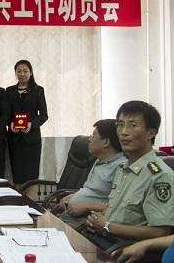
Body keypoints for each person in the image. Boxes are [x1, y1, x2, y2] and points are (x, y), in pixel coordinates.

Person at [84, 101, 174, 250]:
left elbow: (160, 232)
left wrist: (107, 226)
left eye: (132, 125)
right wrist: (97, 219)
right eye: (120, 125)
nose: (124, 132)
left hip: (122, 250)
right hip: (102, 241)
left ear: (150, 133)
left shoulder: (159, 176)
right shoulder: (123, 169)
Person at [58, 119, 126, 227]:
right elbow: (94, 191)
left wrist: (85, 206)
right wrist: (74, 196)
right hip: (71, 216)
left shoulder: (121, 167)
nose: (89, 140)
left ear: (106, 142)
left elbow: (119, 206)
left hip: (86, 221)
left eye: (93, 136)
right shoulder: (99, 161)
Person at [5, 60, 48, 185]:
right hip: (15, 139)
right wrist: (10, 123)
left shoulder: (38, 90)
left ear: (31, 72)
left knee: (31, 175)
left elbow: (44, 115)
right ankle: (19, 197)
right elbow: (6, 113)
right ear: (15, 73)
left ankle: (31, 197)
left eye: (25, 71)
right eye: (19, 71)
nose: (22, 74)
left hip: (32, 140)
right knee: (17, 174)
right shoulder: (9, 91)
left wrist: (31, 124)